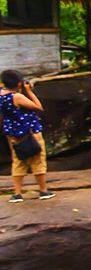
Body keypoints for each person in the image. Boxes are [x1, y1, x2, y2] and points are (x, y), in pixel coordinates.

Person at [1, 70, 53, 202]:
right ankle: (43, 191)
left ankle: (17, 194)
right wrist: (29, 91)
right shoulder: (17, 97)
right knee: (38, 160)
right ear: (19, 83)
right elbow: (38, 107)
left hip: (13, 134)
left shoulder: (1, 95)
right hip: (30, 132)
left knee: (18, 162)